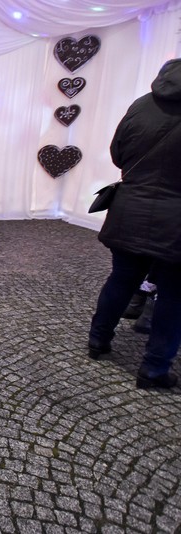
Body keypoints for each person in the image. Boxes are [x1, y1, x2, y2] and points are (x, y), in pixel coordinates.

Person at [88, 58, 181, 389]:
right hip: (175, 222)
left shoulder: (141, 105)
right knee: (173, 294)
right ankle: (154, 368)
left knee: (121, 279)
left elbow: (117, 153)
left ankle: (98, 341)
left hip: (130, 210)